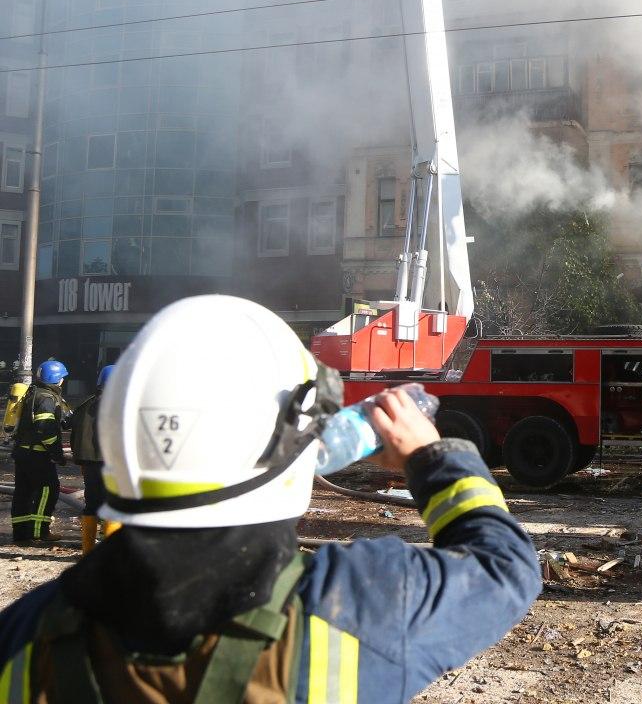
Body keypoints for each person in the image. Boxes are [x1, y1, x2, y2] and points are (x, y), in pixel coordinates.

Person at [0, 296, 540, 701]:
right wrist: (432, 456)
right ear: (295, 442)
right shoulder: (362, 605)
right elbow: (505, 569)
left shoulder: (26, 635)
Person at [10, 360, 70, 545]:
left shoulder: (33, 393)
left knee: (23, 492)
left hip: (22, 452)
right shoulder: (46, 398)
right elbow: (45, 429)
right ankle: (40, 531)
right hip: (37, 454)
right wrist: (56, 453)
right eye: (62, 378)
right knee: (48, 489)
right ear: (57, 379)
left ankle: (21, 534)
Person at [69, 365, 115, 554]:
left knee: (91, 505)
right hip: (112, 465)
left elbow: (74, 435)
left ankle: (87, 551)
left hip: (88, 463)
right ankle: (111, 552)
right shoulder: (120, 405)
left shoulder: (84, 404)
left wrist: (80, 461)